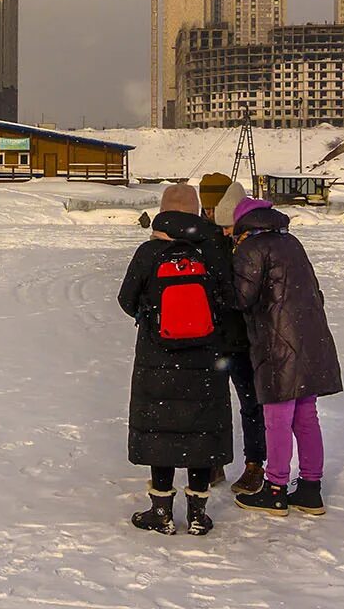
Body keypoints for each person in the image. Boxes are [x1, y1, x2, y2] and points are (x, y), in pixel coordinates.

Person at [117, 184, 234, 536]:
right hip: (205, 359)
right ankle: (198, 513)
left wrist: (152, 317)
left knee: (161, 429)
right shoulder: (212, 250)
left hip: (158, 357)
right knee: (200, 431)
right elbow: (229, 298)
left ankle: (161, 511)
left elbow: (126, 299)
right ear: (197, 211)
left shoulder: (149, 252)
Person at [229, 196, 344, 518]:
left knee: (277, 417)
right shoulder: (291, 242)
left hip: (277, 343)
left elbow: (241, 298)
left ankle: (276, 488)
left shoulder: (251, 249)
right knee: (306, 416)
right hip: (310, 339)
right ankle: (310, 488)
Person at [209, 181, 265, 495]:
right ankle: (215, 461)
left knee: (251, 404)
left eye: (229, 225)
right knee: (215, 402)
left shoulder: (255, 246)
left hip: (245, 340)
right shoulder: (209, 241)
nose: (226, 231)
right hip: (217, 337)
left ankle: (255, 463)